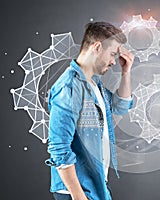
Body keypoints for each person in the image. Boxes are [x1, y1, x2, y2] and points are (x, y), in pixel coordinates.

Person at [45, 21, 134, 200]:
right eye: (112, 54)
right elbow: (59, 149)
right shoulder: (69, 88)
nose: (113, 62)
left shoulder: (93, 85)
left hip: (95, 186)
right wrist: (78, 196)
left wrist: (126, 73)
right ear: (97, 47)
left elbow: (120, 106)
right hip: (76, 192)